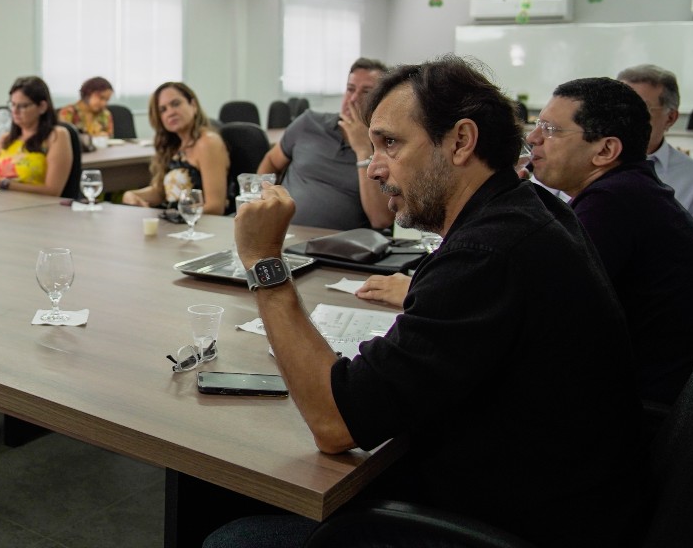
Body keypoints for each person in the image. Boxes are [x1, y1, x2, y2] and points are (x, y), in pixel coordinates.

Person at [211, 57, 641, 547]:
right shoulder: (527, 211)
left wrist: (265, 262)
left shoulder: (487, 254)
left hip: (511, 522)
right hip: (552, 494)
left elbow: (335, 424)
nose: (373, 168)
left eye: (390, 143)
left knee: (237, 537)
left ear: (460, 140)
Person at [528, 77, 693, 405]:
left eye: (550, 130)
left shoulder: (614, 203)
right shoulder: (629, 191)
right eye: (537, 125)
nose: (532, 138)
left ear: (605, 150)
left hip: (641, 414)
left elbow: (539, 306)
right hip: (647, 398)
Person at [258, 58, 392, 230]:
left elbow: (380, 220)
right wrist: (263, 200)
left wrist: (363, 149)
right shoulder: (308, 123)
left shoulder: (387, 147)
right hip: (281, 236)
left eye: (366, 92)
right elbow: (271, 161)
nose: (353, 99)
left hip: (340, 248)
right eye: (350, 89)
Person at [618, 64, 693, 251]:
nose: (623, 118)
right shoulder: (578, 162)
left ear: (671, 118)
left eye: (640, 110)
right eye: (618, 107)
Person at [120, 82, 229, 215]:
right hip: (175, 223)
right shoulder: (174, 145)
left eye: (176, 104)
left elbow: (215, 207)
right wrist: (132, 195)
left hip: (198, 228)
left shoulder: (208, 143)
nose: (170, 112)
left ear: (193, 105)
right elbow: (162, 192)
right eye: (163, 110)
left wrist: (171, 217)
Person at [0, 76, 73, 196]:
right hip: (1, 205)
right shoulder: (6, 138)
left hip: (37, 209)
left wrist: (1, 184)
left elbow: (53, 191)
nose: (15, 111)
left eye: (23, 106)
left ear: (42, 107)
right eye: (12, 104)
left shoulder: (57, 136)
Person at [57, 76, 115, 141]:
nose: (104, 103)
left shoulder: (105, 114)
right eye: (101, 98)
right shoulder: (68, 112)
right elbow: (63, 139)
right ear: (88, 93)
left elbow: (110, 138)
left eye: (107, 100)